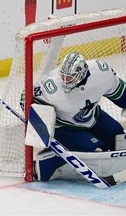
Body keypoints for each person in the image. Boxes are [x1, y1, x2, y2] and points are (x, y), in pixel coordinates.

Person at [32, 52, 126, 181]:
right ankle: (54, 162)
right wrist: (42, 129)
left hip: (93, 117)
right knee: (97, 150)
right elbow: (27, 101)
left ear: (81, 73)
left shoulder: (101, 72)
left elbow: (121, 94)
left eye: (69, 77)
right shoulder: (51, 87)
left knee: (119, 136)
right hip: (64, 126)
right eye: (63, 76)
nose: (65, 80)